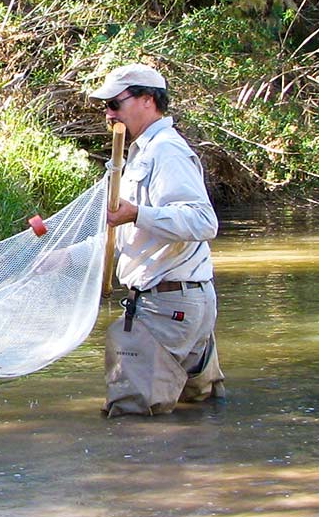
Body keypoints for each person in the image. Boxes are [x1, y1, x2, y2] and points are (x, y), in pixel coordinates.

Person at [92, 63, 225, 417]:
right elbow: (127, 239)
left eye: (114, 103)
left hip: (166, 307)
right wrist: (63, 259)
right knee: (197, 413)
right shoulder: (142, 153)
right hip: (183, 303)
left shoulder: (166, 151)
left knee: (132, 422)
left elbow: (203, 220)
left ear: (147, 100)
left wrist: (138, 213)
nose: (108, 113)